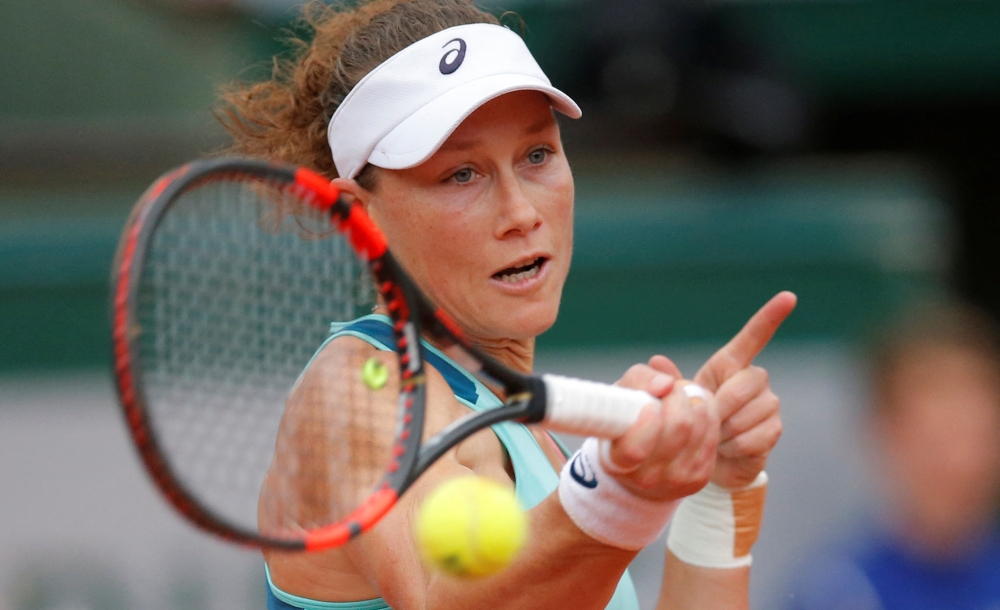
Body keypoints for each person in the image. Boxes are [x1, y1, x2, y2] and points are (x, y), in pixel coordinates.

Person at [219, 1, 795, 608]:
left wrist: (718, 487)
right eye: (461, 175)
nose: (521, 213)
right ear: (359, 217)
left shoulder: (525, 432)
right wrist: (615, 493)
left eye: (537, 155)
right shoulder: (357, 394)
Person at [786, 303, 1000, 610]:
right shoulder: (839, 591)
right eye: (939, 440)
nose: (961, 463)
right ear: (884, 432)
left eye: (978, 435)